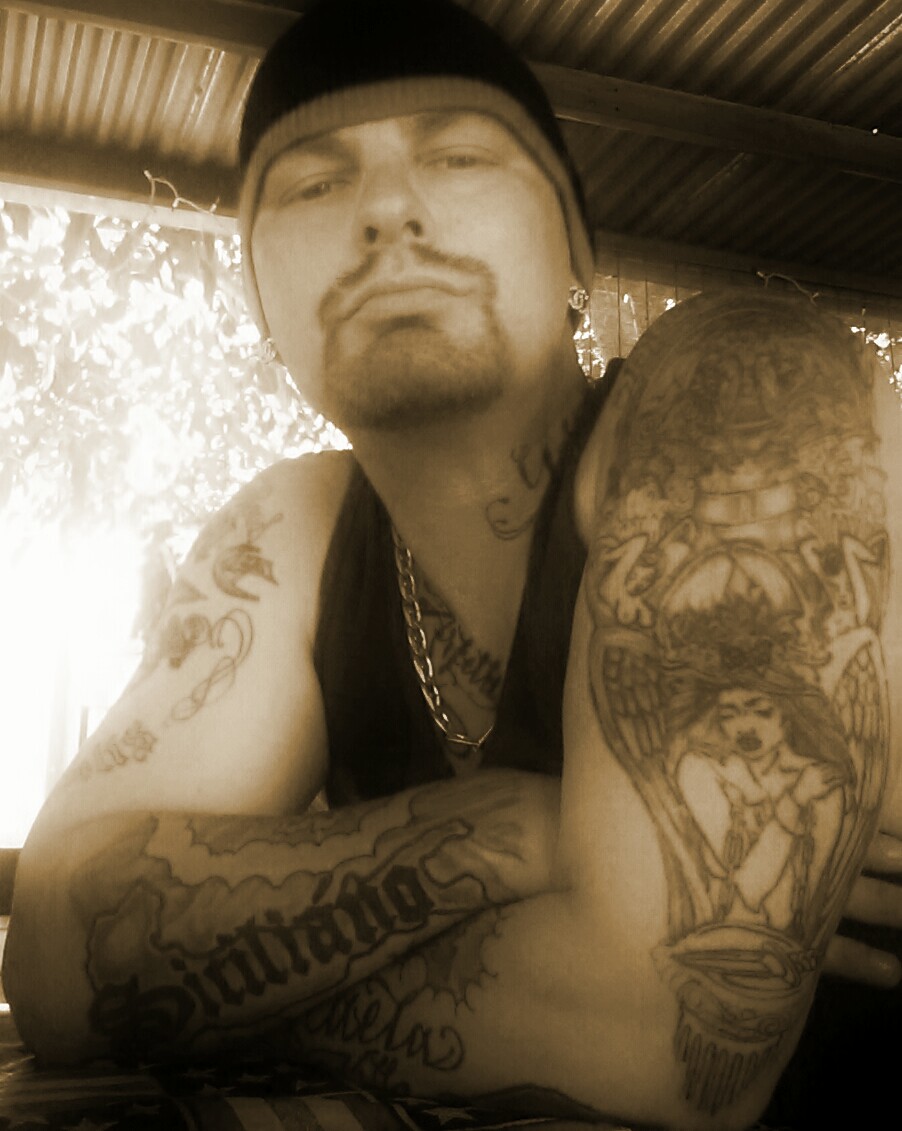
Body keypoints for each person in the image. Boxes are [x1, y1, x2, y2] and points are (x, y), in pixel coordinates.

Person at [4, 1, 902, 1128]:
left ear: (575, 250)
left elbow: (666, 1043)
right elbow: (57, 957)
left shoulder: (737, 391)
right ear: (261, 303)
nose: (387, 210)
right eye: (314, 184)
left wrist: (199, 994)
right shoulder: (293, 526)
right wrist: (517, 830)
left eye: (459, 156)